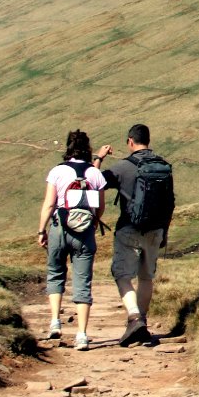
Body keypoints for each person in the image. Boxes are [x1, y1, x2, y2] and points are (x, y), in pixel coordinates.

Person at [99, 123, 174, 347]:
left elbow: (94, 183)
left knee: (122, 275)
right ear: (148, 141)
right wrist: (164, 233)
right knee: (146, 277)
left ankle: (135, 318)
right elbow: (169, 203)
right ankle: (142, 323)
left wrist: (99, 158)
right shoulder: (164, 166)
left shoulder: (122, 167)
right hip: (156, 229)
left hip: (129, 228)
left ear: (130, 142)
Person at [37, 130, 109, 351]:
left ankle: (55, 322)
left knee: (56, 273)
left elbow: (50, 204)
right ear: (87, 148)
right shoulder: (95, 174)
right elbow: (101, 206)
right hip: (85, 231)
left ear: (68, 148)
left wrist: (41, 230)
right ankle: (82, 335)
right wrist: (94, 223)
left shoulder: (57, 171)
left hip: (60, 225)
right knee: (83, 281)